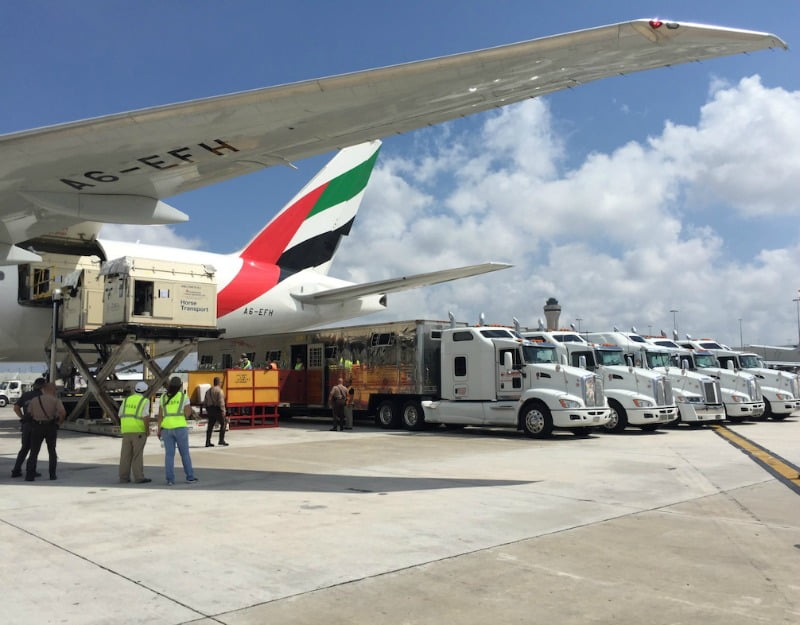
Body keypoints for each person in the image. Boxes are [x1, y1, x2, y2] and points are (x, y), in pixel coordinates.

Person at [157, 376, 197, 485]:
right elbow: (187, 413)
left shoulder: (163, 397)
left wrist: (159, 430)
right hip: (180, 427)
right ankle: (190, 477)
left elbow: (160, 416)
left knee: (169, 455)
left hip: (166, 428)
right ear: (180, 386)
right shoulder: (183, 397)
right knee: (185, 454)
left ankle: (170, 479)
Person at [25, 382, 66, 481]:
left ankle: (30, 475)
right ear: (52, 390)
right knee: (52, 451)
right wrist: (59, 423)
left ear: (43, 390)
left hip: (37, 427)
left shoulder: (35, 400)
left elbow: (29, 413)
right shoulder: (56, 400)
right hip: (50, 426)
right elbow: (63, 412)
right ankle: (52, 475)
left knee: (34, 452)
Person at [11, 377, 46, 478]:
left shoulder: (26, 395)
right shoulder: (44, 396)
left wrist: (22, 417)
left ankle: (16, 470)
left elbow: (16, 408)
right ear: (43, 386)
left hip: (26, 425)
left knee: (24, 449)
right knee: (34, 450)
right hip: (38, 426)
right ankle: (31, 471)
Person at [118, 381, 152, 484]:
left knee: (125, 455)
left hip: (126, 430)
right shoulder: (144, 401)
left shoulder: (126, 400)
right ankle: (139, 477)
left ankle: (123, 477)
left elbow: (120, 414)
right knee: (137, 455)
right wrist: (147, 430)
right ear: (145, 391)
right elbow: (145, 417)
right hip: (138, 431)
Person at [203, 377, 228, 447]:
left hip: (210, 409)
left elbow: (205, 402)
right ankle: (221, 440)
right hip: (217, 409)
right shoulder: (219, 391)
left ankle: (207, 441)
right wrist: (223, 411)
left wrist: (207, 409)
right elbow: (221, 402)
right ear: (219, 382)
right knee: (223, 423)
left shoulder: (208, 391)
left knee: (210, 426)